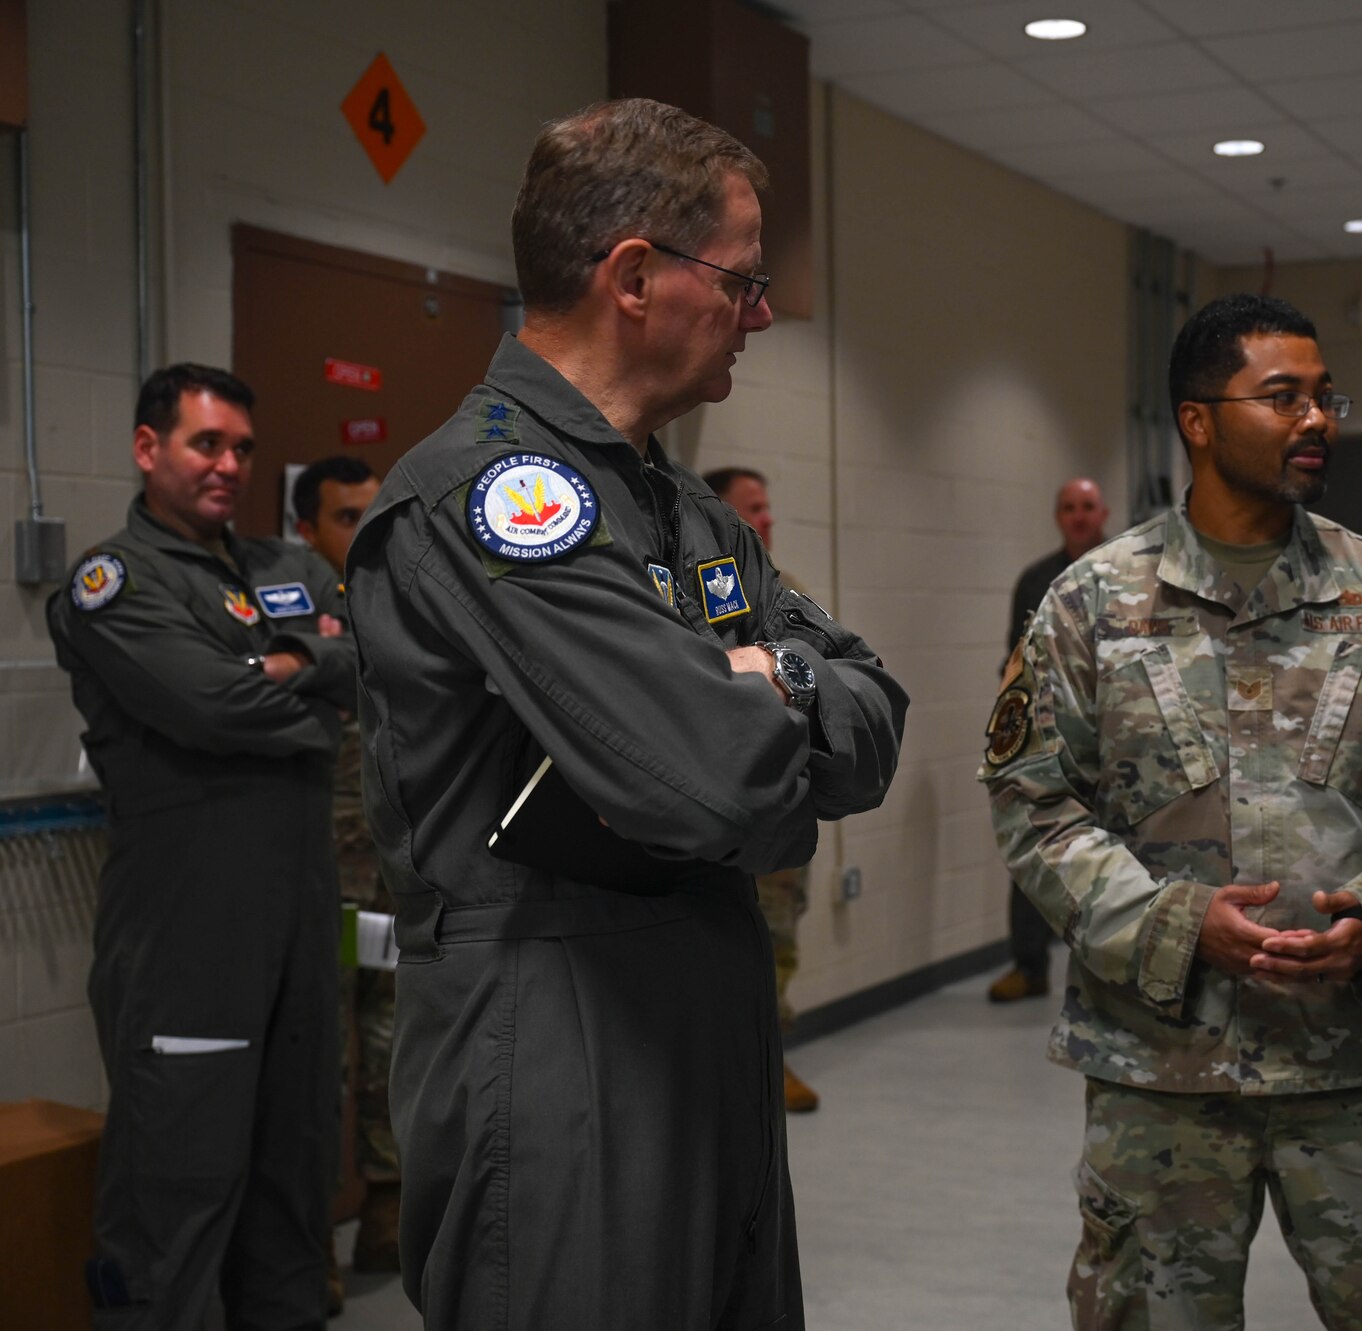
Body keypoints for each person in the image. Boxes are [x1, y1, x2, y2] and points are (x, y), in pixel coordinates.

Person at [345, 99, 907, 1328]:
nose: (759, 315)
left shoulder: (687, 508)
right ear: (635, 276)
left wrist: (775, 687)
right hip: (556, 1030)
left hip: (700, 1003)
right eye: (742, 283)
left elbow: (875, 706)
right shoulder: (496, 494)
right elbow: (702, 780)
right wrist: (743, 698)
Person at [981, 294, 1362, 1330]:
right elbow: (1031, 797)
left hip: (1360, 1061)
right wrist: (1173, 924)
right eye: (1282, 397)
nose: (1315, 419)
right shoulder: (1092, 602)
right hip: (1163, 1069)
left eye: (1325, 397)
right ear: (1196, 419)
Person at [48, 364, 354, 1330]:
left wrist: (290, 671)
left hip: (301, 939)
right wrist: (314, 683)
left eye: (242, 448)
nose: (228, 464)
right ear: (149, 449)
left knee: (293, 1198)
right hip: (189, 948)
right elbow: (213, 705)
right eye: (205, 443)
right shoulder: (112, 584)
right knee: (173, 1206)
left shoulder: (288, 567)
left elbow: (364, 662)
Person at [291, 456, 401, 1298]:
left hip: (395, 877)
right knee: (319, 1054)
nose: (362, 530)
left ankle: (389, 1219)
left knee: (393, 1041)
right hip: (320, 881)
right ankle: (310, 1244)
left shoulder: (401, 601)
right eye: (344, 516)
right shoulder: (285, 609)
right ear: (306, 528)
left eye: (372, 512)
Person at [704, 463, 820, 1113]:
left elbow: (829, 678)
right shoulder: (685, 591)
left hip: (780, 801)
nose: (768, 518)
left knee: (778, 939)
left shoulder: (782, 591)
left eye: (768, 506)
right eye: (753, 507)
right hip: (717, 808)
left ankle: (771, 1056)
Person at [988, 476, 1110, 1003]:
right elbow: (1014, 660)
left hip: (1116, 735)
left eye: (1087, 507)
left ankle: (1109, 962)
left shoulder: (1124, 572)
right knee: (1036, 841)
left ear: (1103, 513)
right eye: (1069, 508)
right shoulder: (1036, 578)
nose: (1079, 516)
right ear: (1058, 517)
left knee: (1115, 851)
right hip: (1048, 732)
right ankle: (1029, 964)